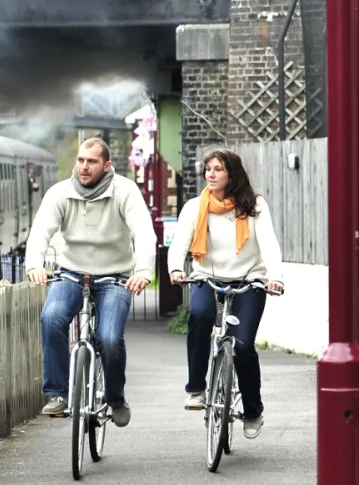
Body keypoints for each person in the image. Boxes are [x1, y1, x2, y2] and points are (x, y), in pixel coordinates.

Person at [22, 137, 156, 427]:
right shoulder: (60, 192)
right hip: (70, 273)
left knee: (109, 338)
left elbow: (144, 233)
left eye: (91, 161)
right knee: (52, 318)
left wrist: (144, 270)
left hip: (115, 277)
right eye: (80, 160)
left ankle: (115, 397)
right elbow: (40, 232)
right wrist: (34, 264)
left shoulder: (125, 191)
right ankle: (57, 392)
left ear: (107, 165)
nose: (84, 167)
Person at [166, 148, 284, 439]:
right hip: (208, 276)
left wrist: (275, 277)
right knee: (201, 314)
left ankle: (253, 410)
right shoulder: (195, 207)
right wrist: (175, 269)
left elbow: (269, 245)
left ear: (232, 173)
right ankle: (196, 388)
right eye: (208, 169)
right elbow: (180, 244)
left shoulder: (253, 205)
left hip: (249, 279)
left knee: (243, 346)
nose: (211, 174)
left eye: (218, 169)